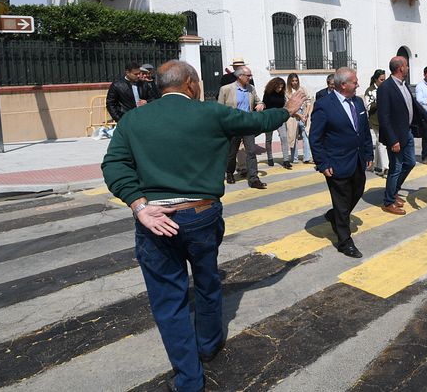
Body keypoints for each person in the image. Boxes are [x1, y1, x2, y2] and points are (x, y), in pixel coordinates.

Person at [101, 60, 305, 392]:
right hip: (201, 216)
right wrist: (289, 110)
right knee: (208, 282)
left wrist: (138, 205)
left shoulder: (134, 119)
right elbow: (258, 120)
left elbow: (113, 165)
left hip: (154, 220)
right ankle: (209, 345)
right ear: (191, 84)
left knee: (170, 302)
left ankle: (189, 379)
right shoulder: (210, 113)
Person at [309, 67, 374, 258]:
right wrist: (322, 163)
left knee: (357, 192)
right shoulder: (324, 105)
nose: (358, 84)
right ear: (343, 84)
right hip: (336, 163)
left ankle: (335, 216)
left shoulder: (359, 102)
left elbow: (364, 131)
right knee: (342, 201)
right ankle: (345, 242)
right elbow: (316, 138)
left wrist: (369, 154)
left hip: (358, 160)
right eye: (354, 82)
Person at [377, 56, 427, 216]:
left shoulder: (403, 85)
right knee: (396, 168)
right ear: (400, 68)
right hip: (396, 137)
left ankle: (394, 192)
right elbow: (384, 118)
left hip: (407, 132)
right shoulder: (385, 88)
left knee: (410, 163)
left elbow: (413, 104)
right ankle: (388, 201)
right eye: (406, 65)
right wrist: (393, 140)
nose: (408, 68)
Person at [218, 67, 267, 189]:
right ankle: (229, 173)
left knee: (251, 152)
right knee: (231, 153)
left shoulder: (251, 89)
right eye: (248, 75)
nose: (250, 78)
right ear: (240, 76)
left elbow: (259, 101)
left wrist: (261, 105)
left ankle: (254, 179)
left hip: (248, 124)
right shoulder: (226, 89)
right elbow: (219, 110)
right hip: (233, 125)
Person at [262, 77, 292, 168]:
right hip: (269, 117)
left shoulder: (282, 93)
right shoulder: (268, 93)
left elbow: (283, 105)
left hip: (279, 117)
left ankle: (286, 160)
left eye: (281, 87)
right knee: (268, 139)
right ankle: (270, 158)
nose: (279, 89)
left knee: (284, 138)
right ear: (274, 86)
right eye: (278, 87)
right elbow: (264, 104)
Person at [363, 69, 389, 177]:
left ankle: (378, 165)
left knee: (380, 143)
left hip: (386, 120)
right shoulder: (370, 91)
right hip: (376, 121)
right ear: (376, 79)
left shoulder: (386, 88)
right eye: (381, 79)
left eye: (384, 79)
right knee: (382, 143)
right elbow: (368, 106)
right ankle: (386, 167)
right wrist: (379, 101)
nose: (383, 81)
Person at [285, 73, 312, 164]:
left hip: (303, 115)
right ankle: (294, 157)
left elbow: (308, 101)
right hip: (293, 116)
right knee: (294, 136)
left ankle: (307, 157)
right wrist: (299, 115)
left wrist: (306, 113)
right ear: (289, 81)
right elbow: (287, 107)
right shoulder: (287, 92)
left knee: (306, 135)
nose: (295, 82)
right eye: (292, 81)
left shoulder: (302, 89)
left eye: (296, 80)